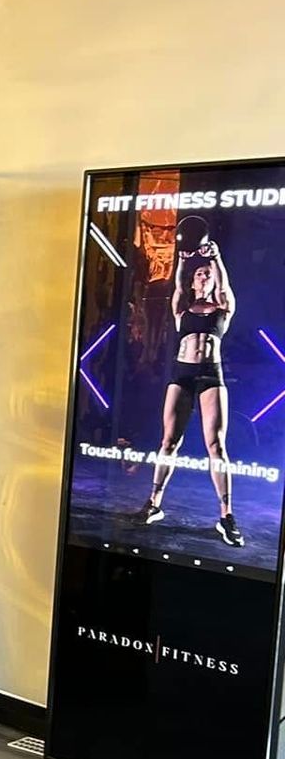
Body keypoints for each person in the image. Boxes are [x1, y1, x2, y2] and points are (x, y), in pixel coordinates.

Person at [141, 215, 242, 545]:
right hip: (181, 374)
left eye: (208, 274)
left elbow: (225, 287)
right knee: (169, 441)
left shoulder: (222, 307)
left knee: (216, 445)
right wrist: (185, 262)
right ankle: (153, 504)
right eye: (202, 273)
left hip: (211, 375)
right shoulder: (183, 308)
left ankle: (226, 516)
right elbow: (179, 285)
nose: (206, 276)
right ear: (196, 280)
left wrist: (216, 258)